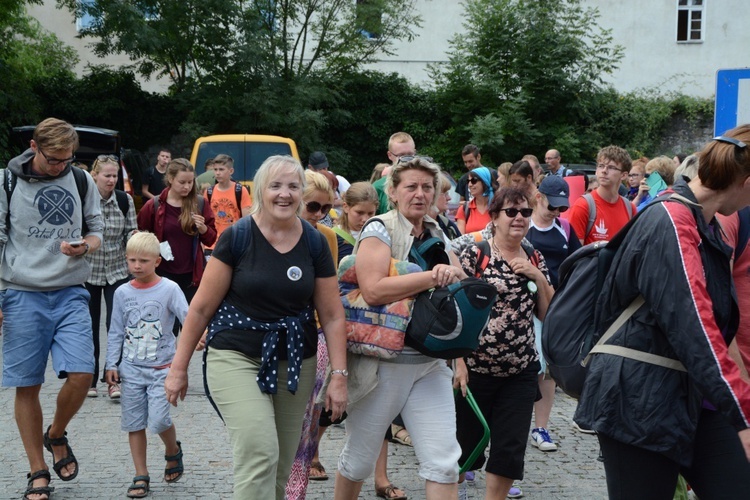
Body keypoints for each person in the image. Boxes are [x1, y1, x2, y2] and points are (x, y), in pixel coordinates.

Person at [574, 126, 750, 499]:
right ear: (746, 182)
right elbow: (696, 327)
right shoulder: (671, 220)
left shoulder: (705, 223)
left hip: (692, 395)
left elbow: (719, 330)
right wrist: (743, 413)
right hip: (638, 399)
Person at [164, 155, 348, 499]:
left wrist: (339, 375)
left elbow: (334, 315)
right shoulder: (237, 237)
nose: (284, 194)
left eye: (293, 186)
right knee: (260, 452)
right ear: (260, 190)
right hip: (236, 356)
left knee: (280, 467)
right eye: (275, 185)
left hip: (296, 360)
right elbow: (201, 308)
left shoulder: (314, 242)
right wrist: (178, 368)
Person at [334, 156, 464, 500]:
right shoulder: (379, 228)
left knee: (444, 462)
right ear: (392, 192)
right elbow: (373, 288)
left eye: (427, 187)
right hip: (383, 366)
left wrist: (460, 358)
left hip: (430, 364)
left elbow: (457, 290)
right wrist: (431, 277)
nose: (419, 194)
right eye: (411, 186)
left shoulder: (439, 232)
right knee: (360, 461)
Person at [0, 117, 104, 500]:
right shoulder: (6, 182)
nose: (60, 166)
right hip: (21, 293)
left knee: (82, 373)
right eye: (53, 159)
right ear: (34, 146)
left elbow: (96, 228)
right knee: (27, 384)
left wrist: (84, 246)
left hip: (70, 290)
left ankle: (56, 433)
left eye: (67, 159)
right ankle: (37, 470)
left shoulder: (81, 180)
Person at [455, 187, 554, 500]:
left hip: (521, 369)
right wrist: (458, 363)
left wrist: (538, 277)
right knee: (464, 445)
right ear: (494, 217)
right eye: (511, 212)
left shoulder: (534, 255)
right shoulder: (476, 253)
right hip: (475, 368)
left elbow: (548, 314)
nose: (520, 218)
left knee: (510, 448)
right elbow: (455, 311)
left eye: (525, 212)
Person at [105, 232, 188, 498]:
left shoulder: (170, 289)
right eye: (131, 260)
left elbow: (189, 318)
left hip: (162, 370)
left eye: (143, 260)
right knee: (134, 423)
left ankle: (172, 449)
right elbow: (115, 330)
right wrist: (111, 363)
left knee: (160, 419)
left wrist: (194, 341)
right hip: (131, 370)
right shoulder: (121, 293)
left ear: (157, 261)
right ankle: (141, 474)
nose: (137, 266)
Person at [527, 176, 581, 453]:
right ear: (538, 196)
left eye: (561, 207)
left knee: (547, 370)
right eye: (552, 205)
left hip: (556, 306)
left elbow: (577, 264)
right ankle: (516, 422)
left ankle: (541, 427)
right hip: (525, 306)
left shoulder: (565, 228)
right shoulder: (523, 224)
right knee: (528, 367)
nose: (556, 211)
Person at [85, 154, 138, 399]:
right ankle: (90, 379)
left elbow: (130, 233)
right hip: (88, 271)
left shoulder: (124, 200)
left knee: (116, 326)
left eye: (115, 175)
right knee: (89, 326)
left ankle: (114, 379)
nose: (111, 180)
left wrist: (135, 253)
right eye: (107, 175)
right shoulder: (84, 199)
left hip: (117, 270)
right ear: (94, 175)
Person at [136, 158, 216, 309]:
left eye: (190, 182)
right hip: (162, 273)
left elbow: (211, 239)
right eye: (182, 182)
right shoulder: (155, 204)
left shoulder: (199, 203)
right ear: (171, 179)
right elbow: (141, 236)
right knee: (165, 325)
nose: (187, 186)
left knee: (189, 325)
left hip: (192, 275)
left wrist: (203, 228)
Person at [568, 146, 635, 245]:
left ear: (624, 175)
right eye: (601, 166)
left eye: (611, 167)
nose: (604, 170)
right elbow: (575, 255)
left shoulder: (630, 208)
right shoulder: (583, 205)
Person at [202, 154, 252, 259]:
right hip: (212, 244)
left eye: (221, 169)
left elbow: (247, 221)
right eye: (215, 170)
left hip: (233, 243)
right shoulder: (209, 191)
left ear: (231, 171)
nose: (218, 173)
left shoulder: (240, 190)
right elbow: (205, 220)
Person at [374, 132, 416, 214]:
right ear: (390, 155)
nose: (407, 160)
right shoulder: (378, 187)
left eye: (410, 155)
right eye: (401, 156)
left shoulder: (425, 183)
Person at [455, 166, 494, 234]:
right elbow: (460, 239)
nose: (469, 185)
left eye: (473, 181)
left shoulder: (498, 207)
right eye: (468, 181)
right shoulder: (464, 209)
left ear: (485, 181)